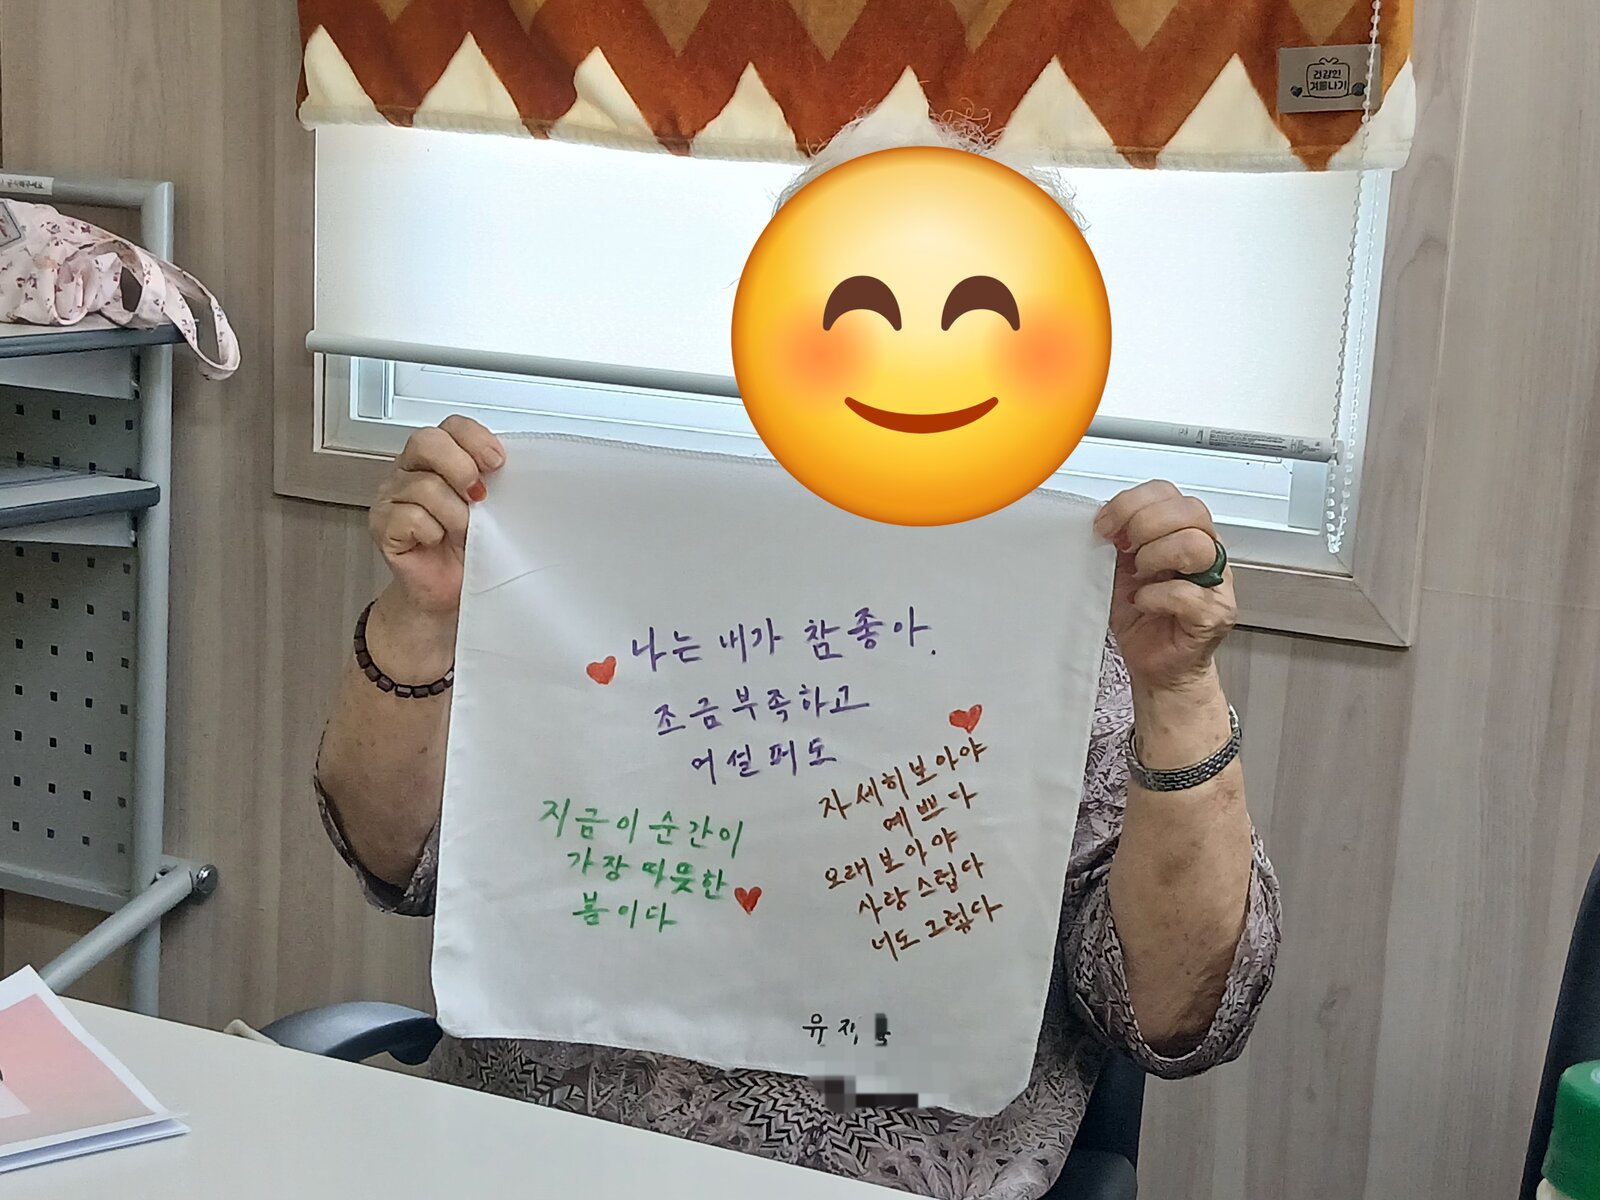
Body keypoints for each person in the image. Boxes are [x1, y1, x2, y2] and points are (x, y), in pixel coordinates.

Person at [314, 121, 1279, 1200]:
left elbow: (1176, 1015)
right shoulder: (611, 580)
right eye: (858, 309)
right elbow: (400, 861)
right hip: (516, 1154)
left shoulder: (1080, 637)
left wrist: (1178, 692)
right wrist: (425, 614)